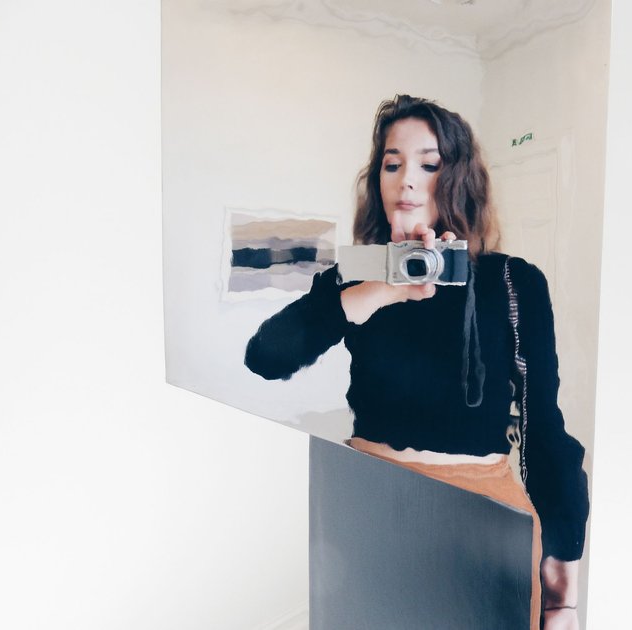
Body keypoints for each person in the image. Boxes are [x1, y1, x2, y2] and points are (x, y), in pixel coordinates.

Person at [244, 95, 589, 630]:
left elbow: (545, 429)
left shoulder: (511, 281)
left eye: (429, 165)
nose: (406, 180)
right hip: (366, 506)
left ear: (458, 180)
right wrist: (384, 287)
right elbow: (266, 356)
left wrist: (562, 594)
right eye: (392, 163)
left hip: (483, 519)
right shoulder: (355, 277)